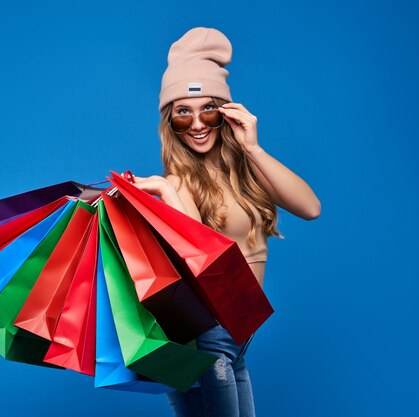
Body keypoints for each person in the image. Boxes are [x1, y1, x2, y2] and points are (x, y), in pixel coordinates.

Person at [131, 27, 321, 417]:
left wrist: (253, 146)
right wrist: (167, 194)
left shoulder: (249, 171)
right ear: (171, 122)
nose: (197, 124)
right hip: (208, 335)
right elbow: (198, 255)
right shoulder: (179, 181)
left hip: (236, 338)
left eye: (207, 110)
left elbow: (310, 207)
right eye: (183, 113)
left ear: (225, 112)